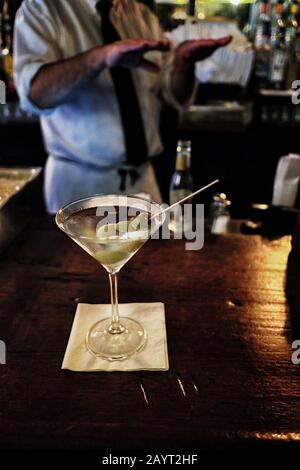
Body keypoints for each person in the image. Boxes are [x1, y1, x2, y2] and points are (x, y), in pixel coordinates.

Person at [13, 0, 231, 213]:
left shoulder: (141, 14)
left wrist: (183, 65)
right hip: (80, 187)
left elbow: (170, 94)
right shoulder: (42, 8)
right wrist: (102, 57)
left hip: (143, 182)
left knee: (149, 251)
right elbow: (34, 93)